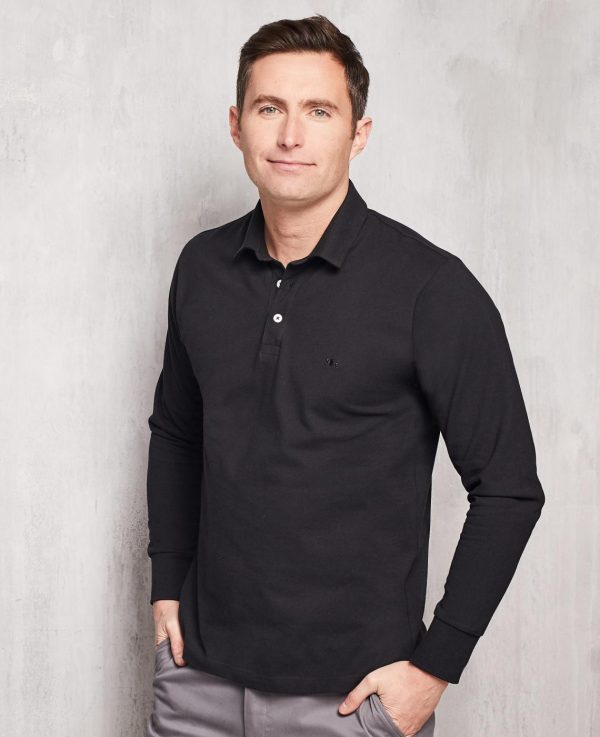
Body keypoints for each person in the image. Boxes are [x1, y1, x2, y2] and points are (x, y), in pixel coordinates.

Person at [145, 13, 545, 737]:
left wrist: (434, 669)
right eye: (270, 108)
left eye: (319, 112)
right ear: (237, 125)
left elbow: (509, 488)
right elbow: (176, 431)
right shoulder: (201, 268)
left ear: (359, 133)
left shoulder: (431, 289)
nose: (290, 135)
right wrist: (166, 581)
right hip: (196, 682)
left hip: (351, 702)